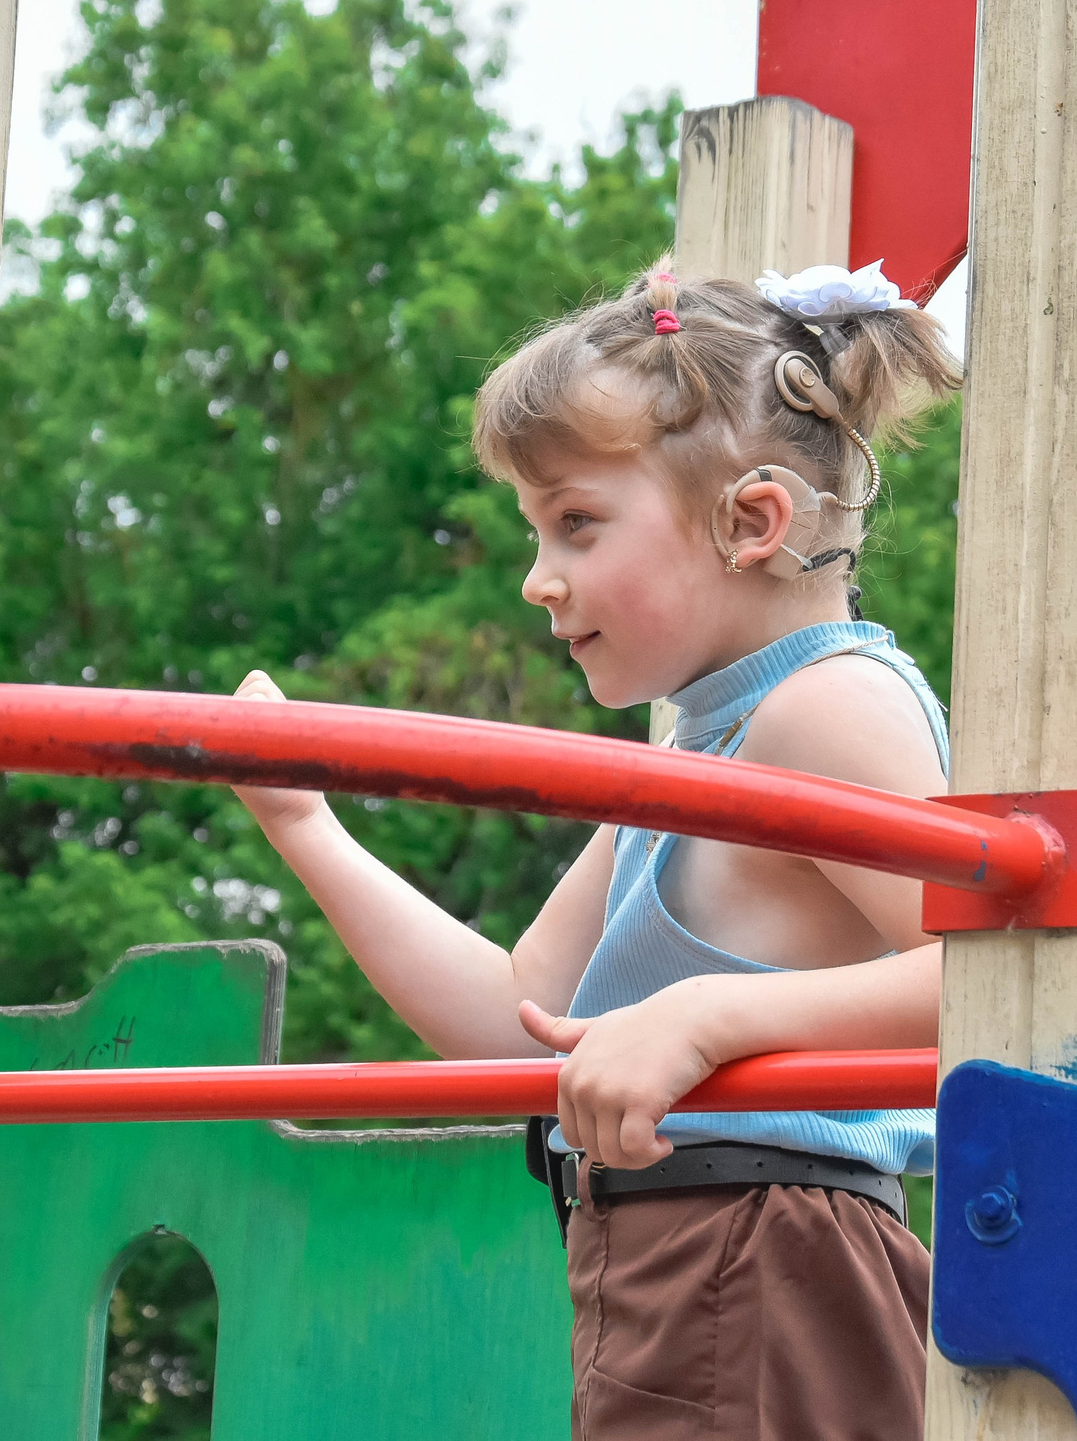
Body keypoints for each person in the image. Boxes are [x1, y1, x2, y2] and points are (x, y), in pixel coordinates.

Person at [231, 253, 962, 1439]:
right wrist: (305, 824)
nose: (537, 579)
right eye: (537, 529)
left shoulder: (821, 706)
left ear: (752, 520)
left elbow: (987, 980)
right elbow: (512, 1014)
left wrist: (709, 1021)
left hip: (763, 1246)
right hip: (679, 1245)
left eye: (576, 525)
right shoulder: (695, 752)